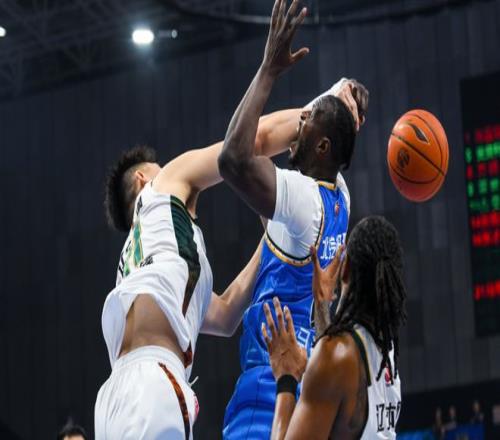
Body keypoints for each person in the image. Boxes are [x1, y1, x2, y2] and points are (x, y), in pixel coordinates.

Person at [94, 79, 360, 438]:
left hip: (113, 399)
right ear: (142, 179)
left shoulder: (145, 265)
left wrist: (278, 236)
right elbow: (247, 146)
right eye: (159, 166)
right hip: (152, 383)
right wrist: (331, 104)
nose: (167, 167)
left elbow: (225, 315)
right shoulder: (162, 185)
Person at [218, 0, 368, 437]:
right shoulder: (340, 196)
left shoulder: (305, 201)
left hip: (267, 387)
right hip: (300, 380)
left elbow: (234, 158)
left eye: (306, 123)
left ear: (322, 147)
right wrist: (335, 98)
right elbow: (313, 133)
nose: (296, 127)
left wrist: (268, 69)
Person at [262, 216, 407, 439]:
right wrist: (321, 308)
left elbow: (334, 365)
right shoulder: (386, 352)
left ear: (345, 268)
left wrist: (286, 379)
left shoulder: (337, 358)